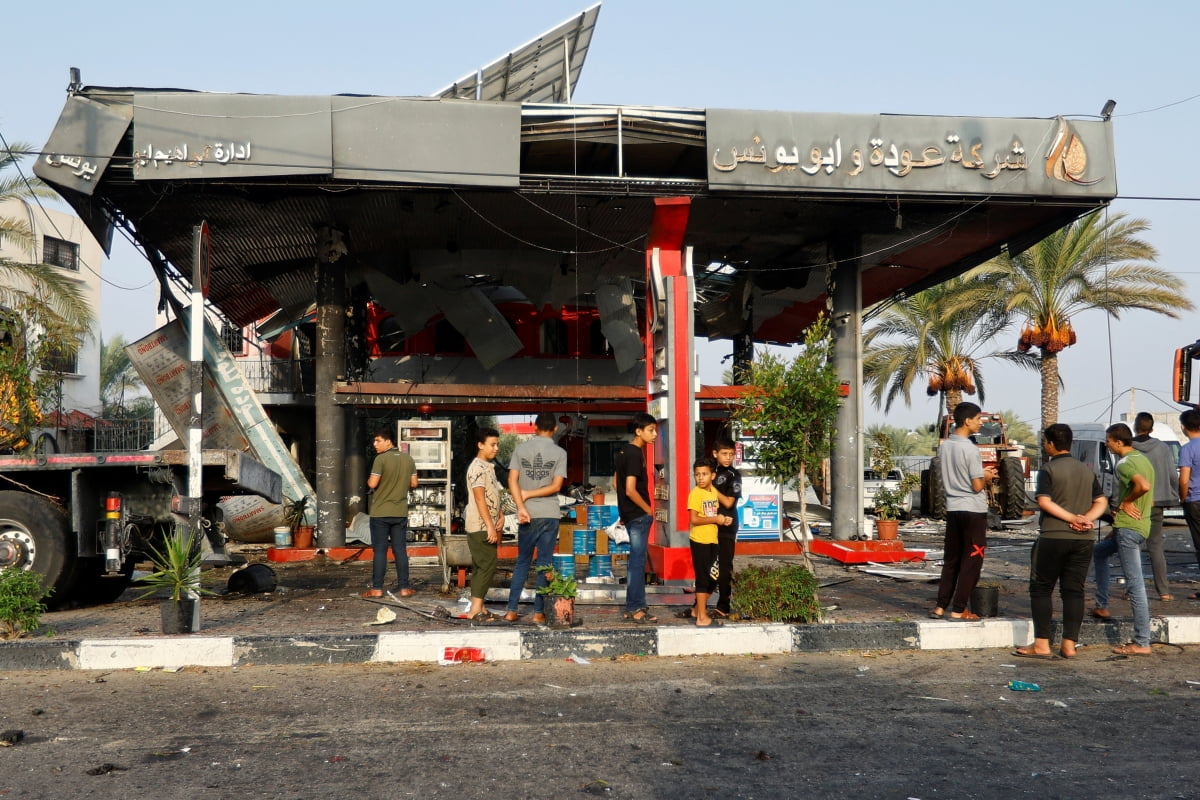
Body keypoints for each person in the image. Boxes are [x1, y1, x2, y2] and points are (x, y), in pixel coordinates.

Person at [1013, 424, 1107, 659]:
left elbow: (1044, 502)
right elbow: (1101, 502)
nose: (1045, 446)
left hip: (1053, 537)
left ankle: (1042, 645)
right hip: (1083, 539)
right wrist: (1086, 520)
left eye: (1045, 442)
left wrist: (1071, 518)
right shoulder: (1086, 471)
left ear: (1051, 444)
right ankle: (1069, 645)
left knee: (1042, 589)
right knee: (1074, 591)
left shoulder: (1048, 469)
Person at [1091, 423, 1155, 655]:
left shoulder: (1125, 464)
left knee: (1135, 584)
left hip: (1130, 528)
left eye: (1108, 441)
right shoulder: (1143, 459)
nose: (1107, 444)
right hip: (1136, 525)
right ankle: (1101, 605)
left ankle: (1142, 642)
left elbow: (1143, 487)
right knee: (1100, 552)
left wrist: (1127, 503)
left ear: (1118, 442)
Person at [930, 402, 997, 621]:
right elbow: (977, 485)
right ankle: (959, 609)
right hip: (973, 511)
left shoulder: (946, 446)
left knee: (952, 559)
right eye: (978, 419)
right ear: (967, 420)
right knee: (972, 561)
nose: (980, 423)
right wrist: (986, 476)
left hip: (953, 508)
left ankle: (940, 606)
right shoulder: (970, 448)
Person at [503, 412, 567, 624]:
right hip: (549, 514)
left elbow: (512, 480)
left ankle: (512, 610)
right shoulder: (560, 453)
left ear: (534, 426)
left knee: (522, 562)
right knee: (545, 563)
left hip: (527, 514)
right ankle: (539, 612)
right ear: (555, 429)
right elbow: (556, 486)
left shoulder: (521, 449)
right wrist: (531, 495)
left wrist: (522, 504)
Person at [364, 426, 418, 599]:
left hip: (380, 513)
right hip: (400, 512)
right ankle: (404, 588)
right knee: (400, 550)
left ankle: (377, 588)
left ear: (388, 441)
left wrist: (371, 479)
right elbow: (414, 483)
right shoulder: (408, 459)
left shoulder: (380, 459)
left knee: (380, 551)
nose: (375, 444)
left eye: (378, 440)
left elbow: (372, 484)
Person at [615, 412, 659, 624]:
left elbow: (616, 484)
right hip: (639, 515)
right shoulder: (634, 453)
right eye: (651, 430)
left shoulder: (623, 451)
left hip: (629, 514)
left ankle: (632, 606)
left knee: (635, 561)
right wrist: (647, 509)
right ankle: (636, 607)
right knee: (637, 563)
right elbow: (631, 489)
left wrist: (625, 510)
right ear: (638, 431)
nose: (655, 434)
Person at [1131, 412, 1179, 601]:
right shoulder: (1162, 448)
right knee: (1156, 547)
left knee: (1133, 548)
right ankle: (1164, 591)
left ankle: (1132, 589)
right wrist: (1174, 495)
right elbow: (1172, 476)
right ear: (1151, 428)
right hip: (1157, 503)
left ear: (1135, 427)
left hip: (1134, 504)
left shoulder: (1130, 448)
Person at [464, 426, 503, 622]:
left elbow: (493, 495)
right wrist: (489, 525)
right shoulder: (477, 468)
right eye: (492, 444)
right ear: (480, 445)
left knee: (482, 565)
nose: (496, 448)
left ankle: (480, 606)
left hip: (488, 523)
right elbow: (480, 499)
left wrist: (501, 514)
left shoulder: (488, 467)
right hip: (479, 525)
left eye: (497, 444)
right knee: (487, 565)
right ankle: (474, 609)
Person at [687, 457, 732, 627]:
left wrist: (722, 520)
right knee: (703, 579)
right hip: (700, 541)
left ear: (712, 476)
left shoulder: (712, 491)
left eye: (704, 474)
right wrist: (716, 519)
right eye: (697, 474)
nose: (700, 478)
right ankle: (701, 618)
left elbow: (714, 514)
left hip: (712, 539)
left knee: (714, 576)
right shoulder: (696, 494)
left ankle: (697, 610)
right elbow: (694, 519)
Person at [711, 436, 742, 618]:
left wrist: (711, 488)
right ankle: (697, 605)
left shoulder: (733, 475)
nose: (728, 457)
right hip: (709, 523)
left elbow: (729, 503)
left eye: (731, 454)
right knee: (706, 566)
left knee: (724, 567)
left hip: (727, 525)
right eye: (724, 454)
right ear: (715, 454)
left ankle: (723, 606)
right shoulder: (710, 470)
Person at [1177, 409, 1200, 600]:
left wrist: (1182, 497)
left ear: (1184, 427)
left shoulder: (1187, 449)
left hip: (1195, 500)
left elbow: (1184, 479)